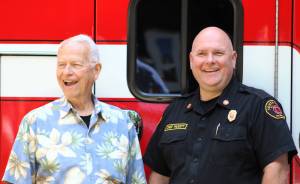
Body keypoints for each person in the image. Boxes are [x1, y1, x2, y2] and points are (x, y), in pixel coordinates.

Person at [143, 26, 297, 184]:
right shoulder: (174, 112)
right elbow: (160, 176)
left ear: (233, 58)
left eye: (218, 53)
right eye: (201, 54)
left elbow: (277, 171)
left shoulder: (258, 106)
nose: (209, 61)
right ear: (191, 61)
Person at [2, 34, 146, 184]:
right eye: (61, 65)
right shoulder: (35, 122)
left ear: (96, 70)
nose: (67, 72)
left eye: (76, 65)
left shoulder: (122, 123)